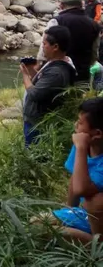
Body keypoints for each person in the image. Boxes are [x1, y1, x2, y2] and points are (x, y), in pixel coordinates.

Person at [51, 98, 103, 244]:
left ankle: (98, 249)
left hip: (98, 216)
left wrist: (80, 148)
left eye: (80, 123)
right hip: (85, 214)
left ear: (97, 133)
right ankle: (92, 242)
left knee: (95, 202)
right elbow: (75, 179)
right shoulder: (84, 145)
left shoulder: (81, 146)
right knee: (36, 224)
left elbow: (81, 189)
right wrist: (69, 210)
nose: (75, 125)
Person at [23, 25, 77, 146]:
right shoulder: (55, 63)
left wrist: (25, 77)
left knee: (34, 156)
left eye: (45, 44)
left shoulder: (57, 72)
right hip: (36, 121)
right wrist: (30, 71)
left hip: (38, 124)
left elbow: (35, 94)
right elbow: (43, 83)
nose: (42, 47)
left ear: (55, 47)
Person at [38, 0, 99, 85]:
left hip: (57, 75)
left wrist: (38, 66)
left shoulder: (56, 21)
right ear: (81, 5)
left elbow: (44, 48)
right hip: (82, 76)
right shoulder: (94, 25)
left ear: (61, 5)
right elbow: (95, 53)